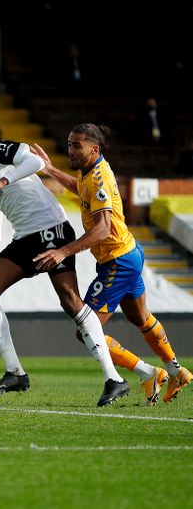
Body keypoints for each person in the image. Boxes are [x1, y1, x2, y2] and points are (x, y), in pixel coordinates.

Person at [0, 123, 129, 407]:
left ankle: (113, 379)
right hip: (26, 239)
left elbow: (36, 161)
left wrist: (4, 181)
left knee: (70, 301)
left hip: (51, 231)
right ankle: (15, 373)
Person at [32, 123, 191, 404]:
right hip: (128, 253)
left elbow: (103, 229)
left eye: (76, 145)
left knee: (86, 329)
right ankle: (177, 371)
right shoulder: (89, 173)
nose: (70, 150)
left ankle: (147, 373)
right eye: (69, 144)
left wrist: (63, 252)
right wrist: (50, 169)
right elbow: (79, 189)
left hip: (117, 260)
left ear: (94, 148)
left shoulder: (99, 178)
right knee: (140, 318)